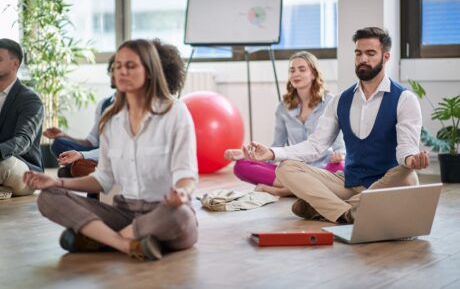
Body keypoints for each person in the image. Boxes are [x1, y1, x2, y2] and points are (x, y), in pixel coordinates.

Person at [23, 39, 198, 261]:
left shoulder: (175, 112)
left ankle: (100, 239)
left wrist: (182, 193)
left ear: (150, 71)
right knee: (47, 197)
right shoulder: (111, 119)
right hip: (124, 213)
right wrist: (57, 182)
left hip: (164, 212)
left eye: (131, 66)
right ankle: (126, 245)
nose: (121, 72)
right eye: (117, 66)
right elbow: (103, 178)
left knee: (180, 215)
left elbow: (187, 174)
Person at [241, 27, 428, 223]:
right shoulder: (340, 100)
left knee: (407, 175)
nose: (363, 59)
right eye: (358, 53)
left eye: (370, 53)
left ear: (386, 57)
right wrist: (272, 153)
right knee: (285, 168)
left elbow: (406, 148)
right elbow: (315, 146)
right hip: (349, 182)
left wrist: (410, 160)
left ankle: (324, 208)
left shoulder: (404, 99)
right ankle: (348, 213)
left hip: (386, 182)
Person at [224, 51, 345, 197]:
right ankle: (303, 189)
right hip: (291, 169)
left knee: (342, 169)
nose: (295, 74)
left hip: (323, 168)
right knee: (241, 166)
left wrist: (340, 154)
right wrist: (248, 156)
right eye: (292, 70)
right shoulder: (283, 107)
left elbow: (340, 146)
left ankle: (284, 191)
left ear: (313, 74)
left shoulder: (331, 102)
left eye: (302, 69)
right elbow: (277, 146)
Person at [0, 38, 44, 199]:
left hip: (23, 168)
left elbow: (23, 140)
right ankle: (3, 190)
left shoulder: (30, 99)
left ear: (15, 64)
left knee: (5, 165)